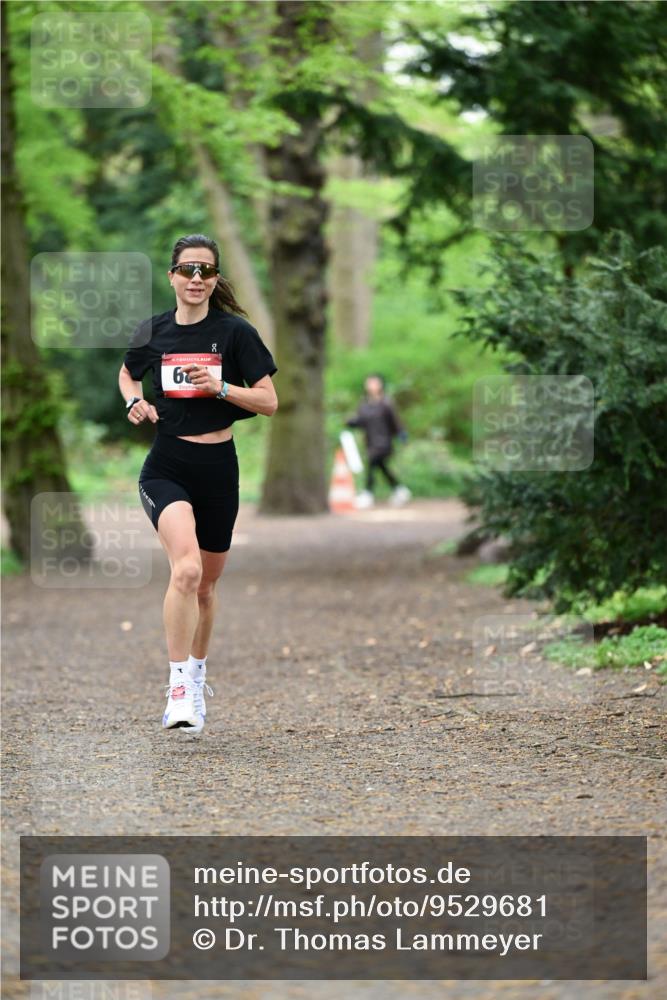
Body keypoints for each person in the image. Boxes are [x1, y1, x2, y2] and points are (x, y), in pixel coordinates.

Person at [118, 234, 278, 734]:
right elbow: (127, 375)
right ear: (172, 276)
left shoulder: (235, 334)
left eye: (205, 271)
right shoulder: (155, 331)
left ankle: (197, 671)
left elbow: (270, 401)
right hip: (166, 465)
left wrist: (221, 387)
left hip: (218, 470)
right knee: (185, 571)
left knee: (207, 587)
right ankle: (178, 691)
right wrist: (133, 402)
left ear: (215, 280)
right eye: (187, 270)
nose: (195, 279)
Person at [346, 374, 411, 508]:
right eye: (369, 383)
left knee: (372, 464)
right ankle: (399, 489)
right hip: (370, 442)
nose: (371, 386)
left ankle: (367, 493)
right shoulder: (364, 404)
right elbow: (361, 421)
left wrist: (401, 434)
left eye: (374, 383)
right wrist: (351, 422)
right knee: (381, 466)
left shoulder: (386, 403)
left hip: (384, 442)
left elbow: (395, 421)